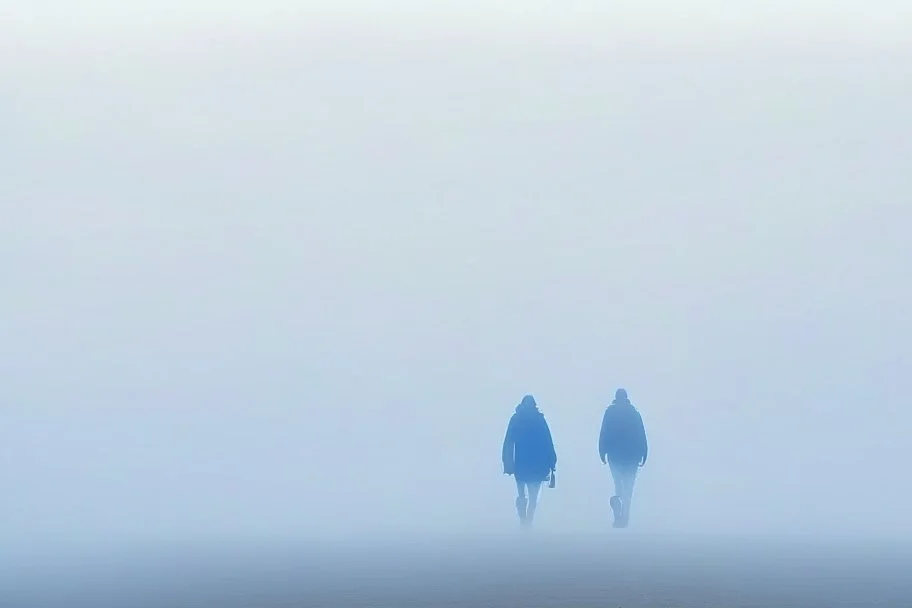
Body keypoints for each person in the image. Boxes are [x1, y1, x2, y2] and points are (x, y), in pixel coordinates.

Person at [502, 395, 557, 528]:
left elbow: (508, 442)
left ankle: (523, 518)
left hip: (520, 463)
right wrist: (552, 461)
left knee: (521, 493)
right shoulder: (539, 419)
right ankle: (529, 518)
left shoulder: (516, 419)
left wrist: (507, 462)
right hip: (537, 464)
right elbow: (547, 441)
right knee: (533, 495)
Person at [598, 388, 648, 528]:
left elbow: (604, 432)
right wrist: (644, 452)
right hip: (632, 456)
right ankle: (624, 517)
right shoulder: (634, 413)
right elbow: (641, 433)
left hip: (615, 456)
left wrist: (602, 451)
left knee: (618, 484)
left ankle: (618, 501)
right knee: (629, 488)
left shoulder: (610, 413)